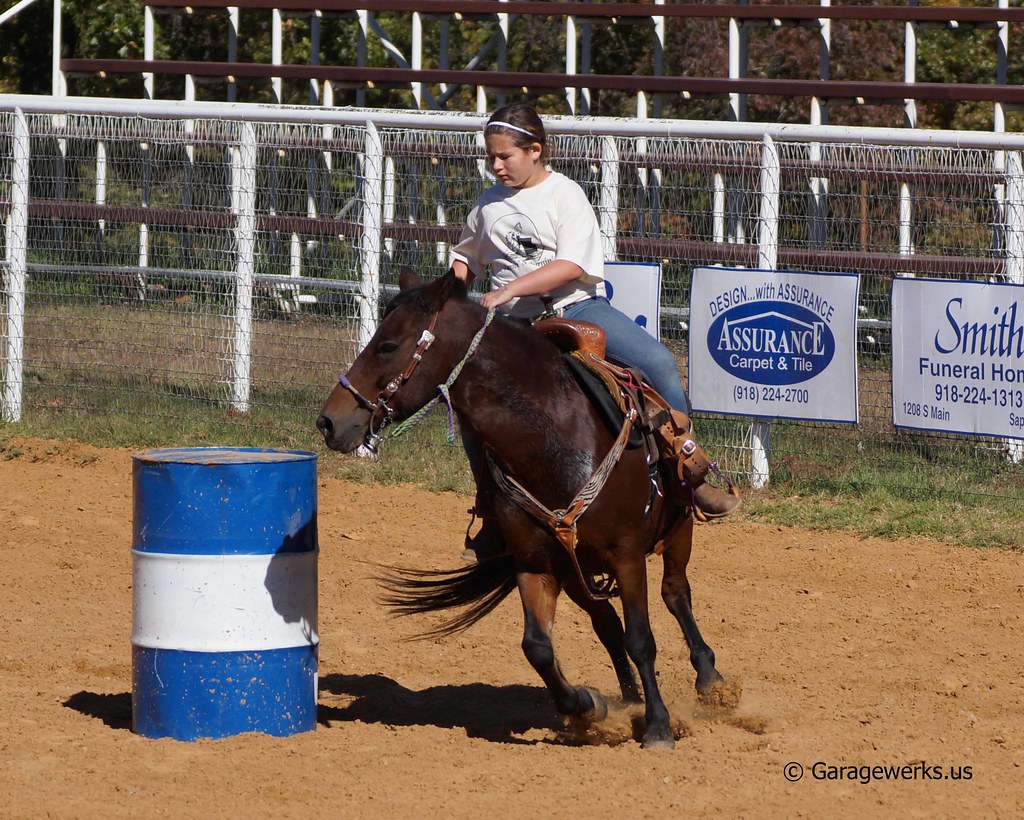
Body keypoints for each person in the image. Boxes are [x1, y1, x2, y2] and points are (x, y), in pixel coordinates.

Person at [450, 103, 740, 562]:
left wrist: (506, 292)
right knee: (472, 407)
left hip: (577, 310)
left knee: (659, 363)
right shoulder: (487, 205)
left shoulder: (565, 196)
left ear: (535, 151)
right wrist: (451, 288)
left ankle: (689, 472)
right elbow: (466, 256)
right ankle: (490, 510)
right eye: (491, 157)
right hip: (514, 328)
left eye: (505, 156)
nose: (496, 165)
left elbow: (570, 266)